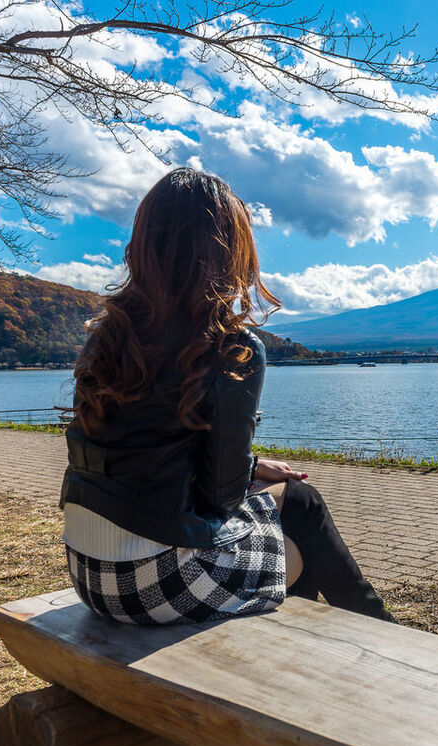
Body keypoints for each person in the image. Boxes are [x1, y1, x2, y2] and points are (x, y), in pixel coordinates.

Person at [59, 167, 393, 625]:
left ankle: (339, 643)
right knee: (301, 505)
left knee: (282, 530)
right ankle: (383, 638)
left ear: (144, 246)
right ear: (228, 253)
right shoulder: (229, 350)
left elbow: (149, 452)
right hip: (156, 585)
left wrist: (252, 466)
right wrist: (246, 475)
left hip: (90, 577)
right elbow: (221, 498)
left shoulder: (107, 341)